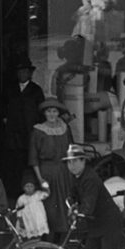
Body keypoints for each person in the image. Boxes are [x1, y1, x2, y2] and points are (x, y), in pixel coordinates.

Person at [28, 96, 76, 236]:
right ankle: (48, 239)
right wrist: (40, 178)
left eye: (54, 111)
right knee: (48, 207)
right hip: (47, 173)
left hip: (64, 172)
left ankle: (63, 239)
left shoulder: (65, 129)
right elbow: (33, 158)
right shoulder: (38, 131)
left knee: (65, 204)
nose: (51, 114)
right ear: (44, 113)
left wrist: (72, 171)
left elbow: (72, 151)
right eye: (49, 111)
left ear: (58, 113)